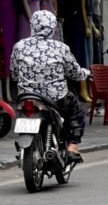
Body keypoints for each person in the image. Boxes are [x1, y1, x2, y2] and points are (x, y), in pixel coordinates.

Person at [10, 10, 90, 162]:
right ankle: (72, 146)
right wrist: (85, 74)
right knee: (76, 111)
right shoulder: (61, 47)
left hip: (27, 97)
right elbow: (74, 72)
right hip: (55, 98)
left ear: (32, 25)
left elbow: (14, 73)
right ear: (52, 27)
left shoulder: (19, 46)